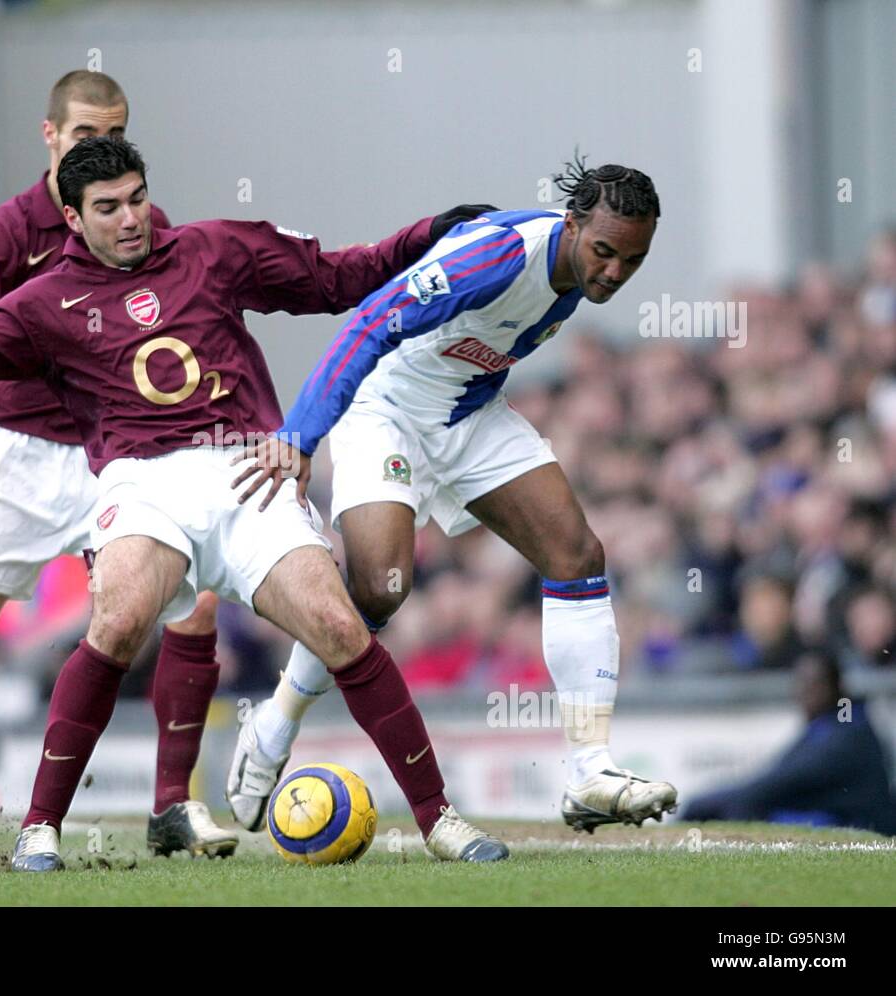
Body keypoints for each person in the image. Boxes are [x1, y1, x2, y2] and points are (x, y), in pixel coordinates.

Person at [0, 135, 508, 868]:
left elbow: (343, 277)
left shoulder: (216, 248)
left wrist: (428, 233)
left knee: (342, 627)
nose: (131, 217)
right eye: (108, 206)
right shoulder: (42, 304)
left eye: (138, 199)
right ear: (73, 219)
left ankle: (439, 820)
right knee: (114, 621)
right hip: (143, 481)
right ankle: (40, 830)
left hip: (245, 467)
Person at [227, 157, 678, 834]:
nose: (614, 272)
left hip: (467, 415)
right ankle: (276, 720)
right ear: (573, 223)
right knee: (380, 589)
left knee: (577, 553)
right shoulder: (498, 257)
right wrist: (300, 436)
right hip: (386, 412)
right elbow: (368, 324)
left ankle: (590, 773)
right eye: (605, 252)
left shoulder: (582, 268)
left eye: (632, 261)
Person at [0, 72, 233, 869]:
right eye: (86, 132)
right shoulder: (6, 231)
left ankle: (171, 805)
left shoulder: (143, 226)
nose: (102, 147)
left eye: (118, 131)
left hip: (118, 453)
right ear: (49, 135)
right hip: (20, 455)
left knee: (191, 608)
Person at [683, 650, 896, 835]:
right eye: (801, 683)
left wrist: (738, 796)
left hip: (851, 822)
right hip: (824, 812)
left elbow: (790, 777)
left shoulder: (848, 729)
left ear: (836, 687)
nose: (805, 692)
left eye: (814, 684)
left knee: (741, 805)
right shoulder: (829, 725)